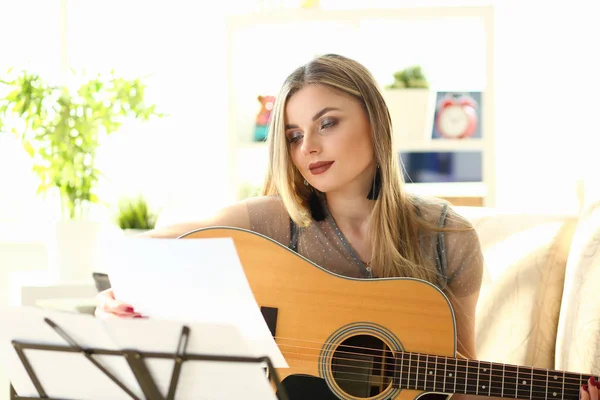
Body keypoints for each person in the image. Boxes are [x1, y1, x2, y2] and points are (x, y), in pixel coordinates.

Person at [95, 54, 595, 400]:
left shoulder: (448, 238)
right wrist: (118, 297)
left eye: (327, 123)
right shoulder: (274, 222)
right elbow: (153, 245)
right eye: (294, 134)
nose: (307, 146)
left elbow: (459, 379)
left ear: (375, 124)